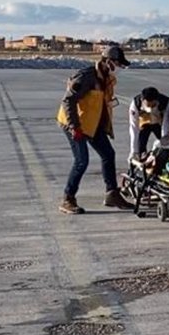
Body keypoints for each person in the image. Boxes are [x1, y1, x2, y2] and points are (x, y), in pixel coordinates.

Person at [57, 45, 135, 214]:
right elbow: (68, 101)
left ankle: (112, 194)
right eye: (118, 64)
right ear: (108, 62)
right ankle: (68, 199)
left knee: (108, 154)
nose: (120, 68)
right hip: (75, 124)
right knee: (81, 161)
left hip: (92, 123)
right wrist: (74, 127)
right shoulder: (86, 77)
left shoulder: (107, 79)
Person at [128, 86, 169, 159]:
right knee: (140, 146)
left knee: (167, 146)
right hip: (144, 124)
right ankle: (141, 157)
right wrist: (134, 150)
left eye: (153, 105)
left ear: (157, 100)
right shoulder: (135, 104)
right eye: (148, 105)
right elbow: (134, 127)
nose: (150, 108)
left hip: (159, 124)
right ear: (142, 100)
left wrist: (164, 139)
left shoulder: (165, 103)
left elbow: (166, 123)